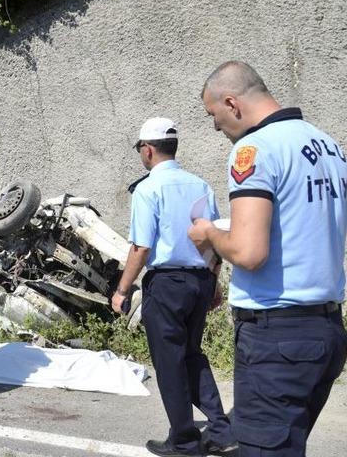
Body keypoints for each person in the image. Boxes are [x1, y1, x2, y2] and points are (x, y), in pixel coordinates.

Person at [189, 61, 347, 456]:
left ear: (232, 103)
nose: (215, 127)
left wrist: (209, 232)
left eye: (214, 115)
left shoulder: (253, 149)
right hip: (325, 329)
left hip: (276, 338)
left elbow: (249, 252)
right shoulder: (326, 144)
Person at [111, 118, 234, 457]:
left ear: (147, 150)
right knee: (192, 356)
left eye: (140, 150)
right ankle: (221, 431)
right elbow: (216, 238)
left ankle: (183, 441)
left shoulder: (149, 189)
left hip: (166, 285)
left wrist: (122, 290)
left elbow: (141, 248)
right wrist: (215, 284)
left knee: (170, 362)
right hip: (199, 280)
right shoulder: (201, 186)